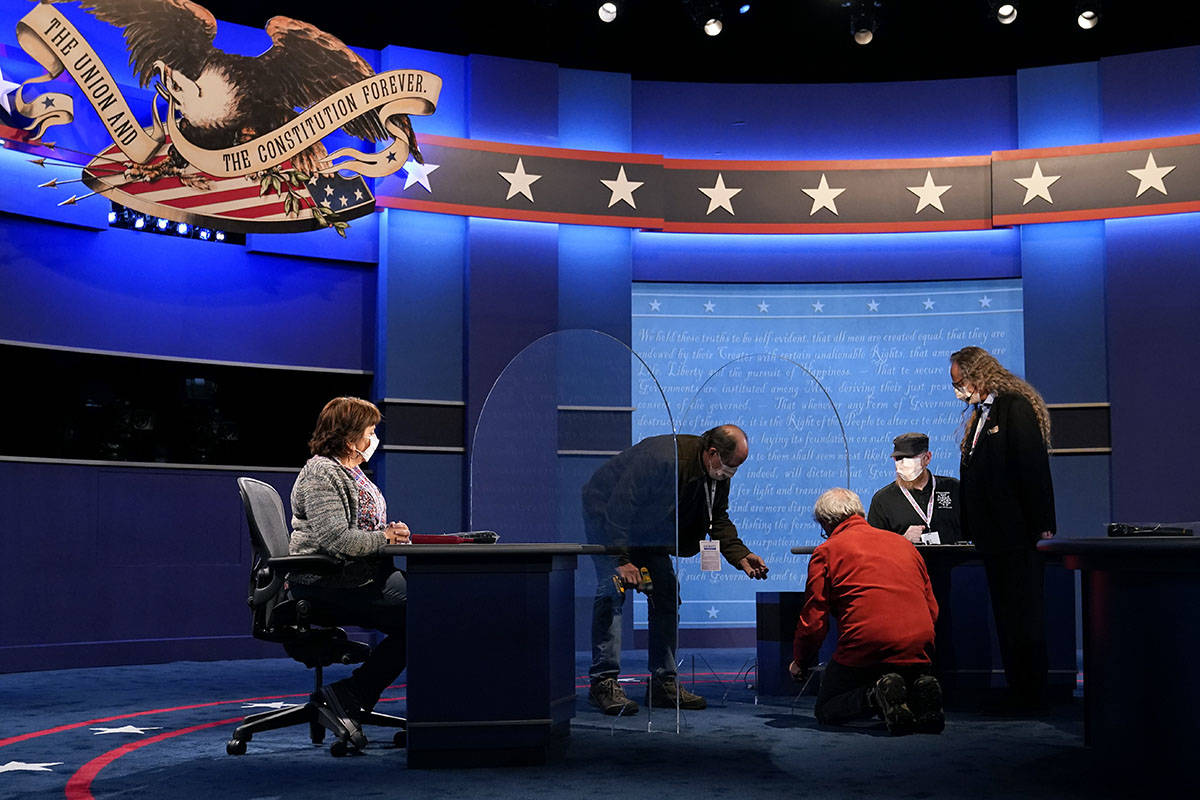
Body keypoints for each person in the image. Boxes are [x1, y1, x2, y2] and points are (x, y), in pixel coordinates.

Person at [584, 425, 769, 715]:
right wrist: (621, 559)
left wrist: (740, 555)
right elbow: (620, 506)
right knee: (613, 590)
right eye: (732, 465)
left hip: (649, 530)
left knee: (667, 593)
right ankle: (603, 683)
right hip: (607, 517)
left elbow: (716, 518)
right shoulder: (663, 459)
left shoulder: (715, 473)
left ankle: (663, 683)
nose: (732, 473)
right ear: (712, 453)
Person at [287, 396, 412, 748]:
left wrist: (389, 532)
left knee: (431, 610)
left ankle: (351, 697)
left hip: (359, 575)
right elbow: (336, 539)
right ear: (348, 436)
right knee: (428, 613)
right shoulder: (320, 474)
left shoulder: (351, 472)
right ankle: (351, 695)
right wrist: (381, 538)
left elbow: (359, 529)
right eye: (369, 431)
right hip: (326, 582)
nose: (374, 438)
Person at [949, 346, 1056, 715]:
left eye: (959, 382)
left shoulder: (1015, 407)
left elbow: (1032, 469)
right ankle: (1018, 689)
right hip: (993, 538)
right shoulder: (980, 415)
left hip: (1018, 536)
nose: (957, 391)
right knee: (1007, 618)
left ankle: (1032, 694)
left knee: (1024, 618)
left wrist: (1042, 526)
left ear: (977, 375)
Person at [788, 488, 943, 735]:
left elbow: (814, 620)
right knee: (900, 674)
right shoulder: (904, 545)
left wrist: (801, 662)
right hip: (918, 647)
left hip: (866, 648)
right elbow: (931, 608)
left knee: (826, 708)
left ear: (827, 523)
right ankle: (918, 691)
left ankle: (875, 695)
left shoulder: (826, 551)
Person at [867, 432, 962, 544]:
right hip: (907, 560)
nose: (904, 463)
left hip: (954, 560)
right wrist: (903, 540)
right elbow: (874, 547)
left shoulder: (954, 488)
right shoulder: (882, 500)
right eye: (899, 458)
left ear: (927, 458)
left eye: (910, 457)